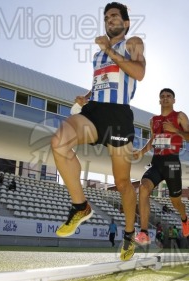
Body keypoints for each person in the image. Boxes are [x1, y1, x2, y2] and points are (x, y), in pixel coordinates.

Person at [51, 2, 145, 261]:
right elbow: (104, 80)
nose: (109, 19)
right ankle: (80, 206)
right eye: (106, 16)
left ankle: (128, 235)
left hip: (118, 115)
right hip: (94, 111)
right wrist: (88, 96)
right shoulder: (97, 56)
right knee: (59, 142)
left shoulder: (133, 42)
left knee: (123, 182)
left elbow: (138, 72)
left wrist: (109, 50)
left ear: (125, 23)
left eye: (114, 15)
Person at [133, 88, 189, 246]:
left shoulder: (180, 116)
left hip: (172, 162)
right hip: (157, 162)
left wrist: (176, 130)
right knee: (143, 187)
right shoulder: (153, 120)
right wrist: (141, 152)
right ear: (159, 100)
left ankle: (185, 220)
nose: (165, 98)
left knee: (176, 202)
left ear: (174, 100)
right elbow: (153, 140)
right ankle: (144, 232)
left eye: (169, 96)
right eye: (162, 96)